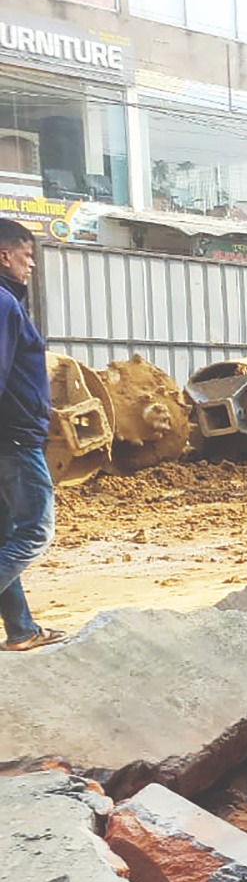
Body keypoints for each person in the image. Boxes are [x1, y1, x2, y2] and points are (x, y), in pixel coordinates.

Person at [0, 218, 63, 652]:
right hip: (15, 440)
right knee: (34, 531)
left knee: (7, 533)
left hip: (11, 437)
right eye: (27, 256)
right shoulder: (4, 303)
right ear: (5, 255)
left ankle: (21, 630)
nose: (32, 266)